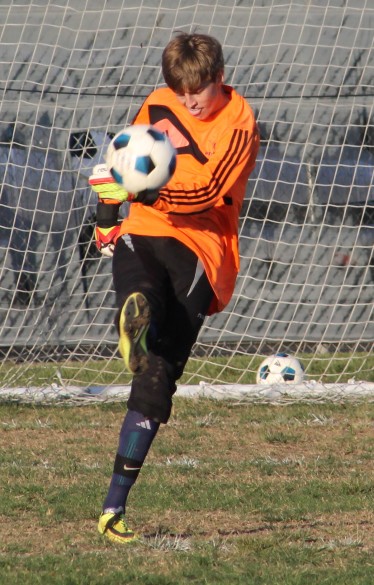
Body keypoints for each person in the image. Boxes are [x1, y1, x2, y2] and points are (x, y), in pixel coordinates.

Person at [89, 32, 260, 544]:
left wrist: (143, 190)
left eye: (197, 94)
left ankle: (114, 508)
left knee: (157, 372)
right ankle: (136, 315)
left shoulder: (238, 123)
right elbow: (123, 159)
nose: (187, 103)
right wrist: (105, 217)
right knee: (144, 307)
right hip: (144, 231)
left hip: (200, 249)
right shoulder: (159, 101)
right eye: (180, 93)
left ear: (219, 78)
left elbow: (209, 191)